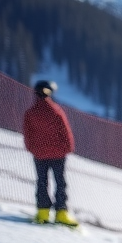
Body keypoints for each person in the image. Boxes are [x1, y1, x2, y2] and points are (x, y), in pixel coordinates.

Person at [22, 79, 78, 227]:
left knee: (42, 182)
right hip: (58, 154)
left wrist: (32, 148)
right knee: (60, 182)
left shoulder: (30, 113)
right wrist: (68, 148)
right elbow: (65, 131)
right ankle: (61, 212)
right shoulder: (56, 111)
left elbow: (28, 134)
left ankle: (43, 212)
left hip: (39, 154)